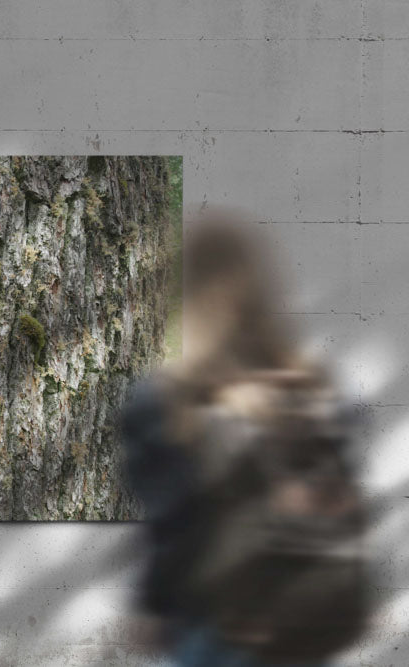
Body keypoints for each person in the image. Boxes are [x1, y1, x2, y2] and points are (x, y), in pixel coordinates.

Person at [121, 213, 368, 666]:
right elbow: (347, 495)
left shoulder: (167, 401)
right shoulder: (314, 388)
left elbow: (172, 526)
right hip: (302, 616)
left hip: (214, 624)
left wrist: (152, 605)